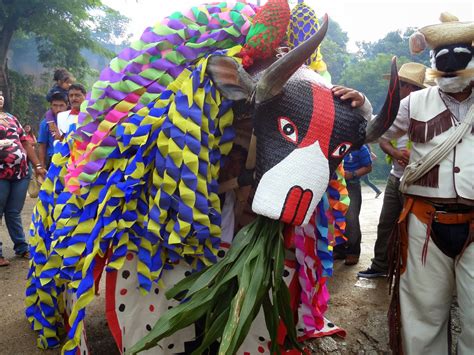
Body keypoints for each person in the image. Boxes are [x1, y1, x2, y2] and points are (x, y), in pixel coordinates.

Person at [385, 13, 473, 354]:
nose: (451, 69)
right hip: (424, 221)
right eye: (443, 59)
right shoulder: (412, 103)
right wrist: (358, 104)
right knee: (422, 316)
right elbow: (376, 131)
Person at [358, 62, 427, 279]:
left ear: (410, 88)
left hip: (417, 180)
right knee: (386, 223)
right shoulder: (397, 108)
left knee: (414, 228)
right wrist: (397, 154)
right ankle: (381, 265)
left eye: (400, 85)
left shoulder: (423, 108)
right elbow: (382, 138)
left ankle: (411, 271)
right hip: (395, 176)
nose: (396, 89)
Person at [0, 91, 46, 267]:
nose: (0, 97)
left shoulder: (11, 118)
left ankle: (21, 247)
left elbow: (25, 142)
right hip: (1, 173)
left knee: (13, 212)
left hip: (20, 172)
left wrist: (37, 166)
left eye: (2, 94)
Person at [333, 144, 373, 266]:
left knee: (351, 219)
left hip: (352, 185)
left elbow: (368, 167)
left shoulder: (360, 147)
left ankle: (353, 252)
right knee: (335, 217)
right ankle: (339, 250)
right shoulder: (336, 144)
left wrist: (353, 174)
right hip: (334, 186)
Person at [37, 92, 68, 169]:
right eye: (55, 105)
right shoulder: (45, 123)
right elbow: (42, 146)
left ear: (67, 106)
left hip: (70, 159)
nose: (58, 109)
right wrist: (41, 166)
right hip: (53, 159)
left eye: (61, 106)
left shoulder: (72, 120)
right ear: (51, 106)